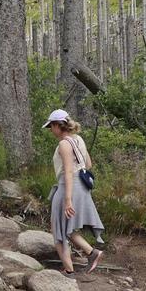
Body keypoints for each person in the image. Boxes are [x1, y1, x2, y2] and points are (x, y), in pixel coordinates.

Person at [43, 109, 104, 274]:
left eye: (51, 127)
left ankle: (71, 268)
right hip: (82, 187)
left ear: (57, 125)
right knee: (68, 228)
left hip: (67, 187)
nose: (51, 130)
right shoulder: (78, 139)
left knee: (58, 229)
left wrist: (68, 199)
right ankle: (91, 253)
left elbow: (68, 172)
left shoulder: (63, 144)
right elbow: (88, 164)